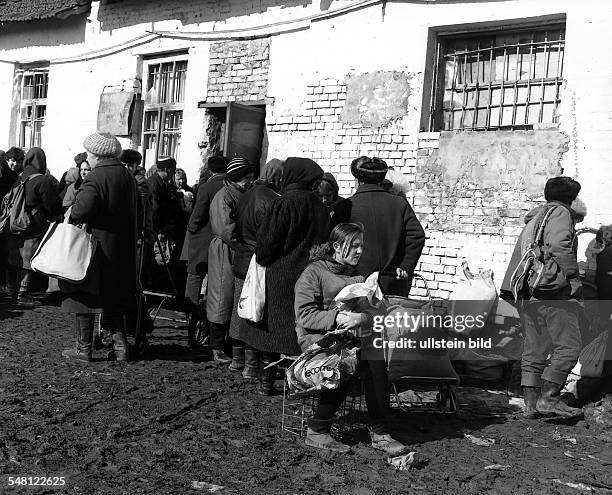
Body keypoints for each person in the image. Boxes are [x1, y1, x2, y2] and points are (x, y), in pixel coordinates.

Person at [295, 223, 410, 455]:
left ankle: (379, 433)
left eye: (361, 246)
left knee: (374, 358)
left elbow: (378, 312)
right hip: (318, 338)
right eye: (354, 246)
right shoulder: (314, 273)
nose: (359, 251)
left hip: (349, 338)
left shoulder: (359, 277)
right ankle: (318, 430)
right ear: (337, 246)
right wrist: (338, 316)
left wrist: (361, 317)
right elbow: (304, 315)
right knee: (352, 360)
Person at [501, 176, 583, 418]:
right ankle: (549, 399)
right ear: (572, 198)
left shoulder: (536, 215)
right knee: (569, 347)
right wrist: (573, 277)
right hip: (553, 293)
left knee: (535, 348)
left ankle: (530, 405)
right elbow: (559, 245)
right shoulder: (560, 213)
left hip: (530, 293)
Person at [252, 157, 331, 394]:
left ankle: (266, 382)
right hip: (310, 275)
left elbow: (267, 245)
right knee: (303, 327)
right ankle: (299, 380)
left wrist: (265, 259)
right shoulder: (320, 206)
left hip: (281, 274)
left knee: (273, 332)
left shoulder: (285, 203)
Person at [61, 132, 137, 362]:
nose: (87, 158)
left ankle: (83, 350)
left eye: (88, 153)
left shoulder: (95, 177)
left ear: (96, 155)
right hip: (122, 249)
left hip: (96, 249)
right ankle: (121, 348)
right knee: (114, 297)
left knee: (84, 295)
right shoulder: (127, 176)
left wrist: (71, 212)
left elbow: (81, 210)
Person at [334, 156, 425, 296]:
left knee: (359, 317)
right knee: (391, 317)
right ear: (382, 179)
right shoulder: (399, 204)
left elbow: (334, 240)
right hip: (394, 280)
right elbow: (416, 236)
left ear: (358, 180)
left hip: (355, 283)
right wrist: (405, 266)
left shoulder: (347, 206)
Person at [229, 159, 283, 381]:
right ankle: (251, 366)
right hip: (258, 263)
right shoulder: (272, 200)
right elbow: (271, 236)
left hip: (241, 259)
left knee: (239, 311)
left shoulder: (245, 195)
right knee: (254, 314)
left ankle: (237, 361)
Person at [206, 156, 255, 364]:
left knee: (230, 296)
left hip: (234, 249)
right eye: (247, 178)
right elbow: (226, 229)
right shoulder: (224, 196)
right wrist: (246, 245)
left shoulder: (238, 194)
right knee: (221, 296)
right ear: (236, 178)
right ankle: (216, 346)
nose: (250, 182)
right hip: (225, 250)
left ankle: (223, 342)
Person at [5, 147, 62, 306]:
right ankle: (23, 294)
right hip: (33, 225)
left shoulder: (20, 176)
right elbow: (50, 204)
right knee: (28, 259)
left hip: (15, 222)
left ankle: (11, 291)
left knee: (14, 258)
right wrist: (55, 216)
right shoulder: (41, 179)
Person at [184, 155, 229, 349]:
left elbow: (197, 216)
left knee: (194, 277)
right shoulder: (229, 186)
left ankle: (191, 314)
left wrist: (192, 228)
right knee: (216, 283)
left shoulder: (207, 187)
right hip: (221, 242)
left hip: (203, 241)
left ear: (210, 169)